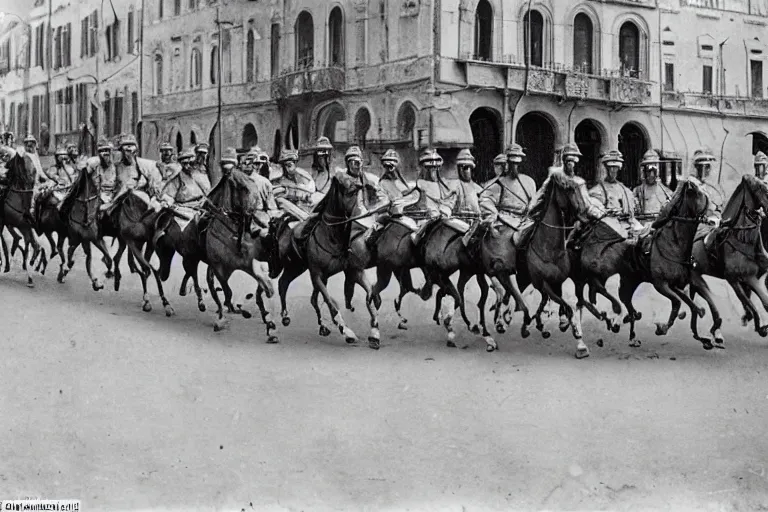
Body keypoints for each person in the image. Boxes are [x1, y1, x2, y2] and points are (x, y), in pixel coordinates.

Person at [557, 142, 607, 249]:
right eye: (569, 161)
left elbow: (586, 203)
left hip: (579, 218)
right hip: (564, 220)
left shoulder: (579, 182)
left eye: (574, 161)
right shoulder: (558, 180)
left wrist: (600, 212)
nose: (571, 164)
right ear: (564, 161)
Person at [479, 144, 537, 228]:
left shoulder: (529, 182)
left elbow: (534, 203)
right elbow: (486, 200)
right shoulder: (499, 182)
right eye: (512, 163)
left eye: (517, 164)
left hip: (525, 223)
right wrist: (493, 214)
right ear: (507, 163)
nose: (515, 167)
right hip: (504, 222)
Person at [588, 149, 643, 236]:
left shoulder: (625, 190)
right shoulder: (597, 190)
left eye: (616, 167)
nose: (613, 170)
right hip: (609, 227)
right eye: (611, 167)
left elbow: (632, 212)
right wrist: (606, 212)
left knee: (645, 236)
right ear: (606, 168)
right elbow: (594, 211)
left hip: (629, 223)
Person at [110, 133, 163, 212]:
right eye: (127, 150)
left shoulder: (147, 165)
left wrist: (153, 198)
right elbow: (112, 187)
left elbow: (156, 185)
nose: (130, 153)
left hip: (144, 202)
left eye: (132, 149)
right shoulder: (116, 167)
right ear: (121, 150)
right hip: (121, 202)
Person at [158, 147, 211, 225]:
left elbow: (208, 192)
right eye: (185, 164)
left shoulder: (201, 175)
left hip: (202, 207)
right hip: (184, 210)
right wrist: (168, 203)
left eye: (191, 163)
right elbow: (168, 195)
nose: (188, 166)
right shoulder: (177, 179)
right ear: (181, 164)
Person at [633, 150, 672, 223]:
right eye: (649, 171)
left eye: (654, 171)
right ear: (644, 171)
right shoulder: (637, 191)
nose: (651, 175)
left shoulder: (666, 192)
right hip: (644, 227)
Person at [273, 148, 316, 215]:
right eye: (284, 167)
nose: (287, 169)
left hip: (304, 210)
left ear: (295, 164)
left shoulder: (304, 177)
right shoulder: (281, 181)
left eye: (289, 166)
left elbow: (311, 193)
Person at [86, 138, 119, 210]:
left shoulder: (116, 166)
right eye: (102, 151)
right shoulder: (95, 166)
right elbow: (93, 185)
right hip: (100, 195)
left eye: (107, 150)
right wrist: (101, 195)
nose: (105, 153)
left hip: (114, 195)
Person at [44, 145, 78, 211]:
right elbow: (50, 174)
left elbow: (75, 177)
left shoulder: (71, 168)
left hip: (70, 191)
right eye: (60, 157)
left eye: (64, 157)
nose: (63, 159)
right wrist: (57, 179)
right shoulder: (55, 168)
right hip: (59, 192)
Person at [452, 149, 483, 221]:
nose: (466, 171)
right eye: (463, 168)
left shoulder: (478, 189)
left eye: (468, 168)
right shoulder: (454, 187)